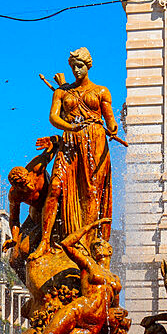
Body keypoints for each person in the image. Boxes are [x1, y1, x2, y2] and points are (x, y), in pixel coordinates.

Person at [30, 48, 117, 259]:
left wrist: (112, 129)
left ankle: (85, 243)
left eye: (80, 66)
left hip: (95, 141)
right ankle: (45, 242)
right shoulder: (62, 92)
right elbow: (53, 118)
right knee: (56, 188)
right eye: (73, 67)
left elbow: (110, 121)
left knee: (91, 192)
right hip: (70, 141)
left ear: (88, 66)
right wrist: (70, 128)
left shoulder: (101, 92)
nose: (77, 70)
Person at [2, 217, 121, 334]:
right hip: (80, 310)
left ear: (110, 249)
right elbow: (66, 244)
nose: (96, 247)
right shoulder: (89, 264)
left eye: (100, 244)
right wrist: (90, 226)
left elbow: (114, 306)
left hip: (95, 323)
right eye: (94, 245)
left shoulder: (115, 279)